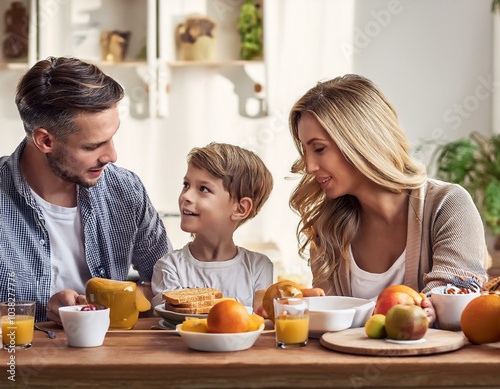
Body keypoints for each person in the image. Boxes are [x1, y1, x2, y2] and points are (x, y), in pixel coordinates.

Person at [288, 74, 489, 327]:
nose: (309, 166)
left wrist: (427, 310)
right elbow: (331, 327)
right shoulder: (328, 226)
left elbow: (452, 297)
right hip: (345, 366)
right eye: (305, 151)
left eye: (318, 148)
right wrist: (300, 307)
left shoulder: (447, 205)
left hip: (431, 365)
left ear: (360, 141)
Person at [0, 57, 171, 323]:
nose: (112, 155)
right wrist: (44, 310)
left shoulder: (126, 190)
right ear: (45, 140)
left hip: (113, 357)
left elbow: (167, 284)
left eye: (112, 137)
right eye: (92, 147)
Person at [151, 142, 274, 309]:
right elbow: (173, 321)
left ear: (240, 209)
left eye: (204, 189)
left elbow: (262, 321)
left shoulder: (258, 267)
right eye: (186, 185)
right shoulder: (170, 267)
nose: (186, 196)